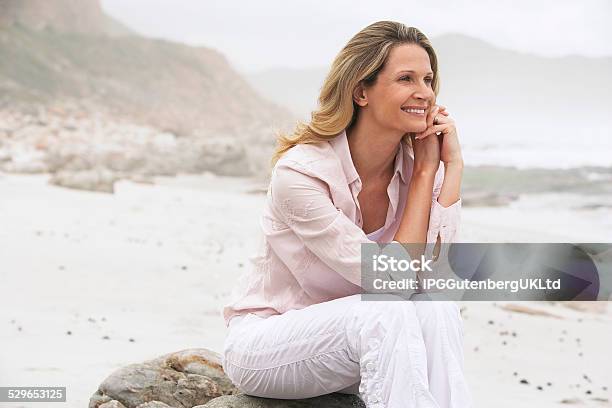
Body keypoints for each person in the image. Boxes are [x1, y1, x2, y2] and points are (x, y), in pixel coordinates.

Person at [221, 20, 473, 408]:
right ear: (361, 92)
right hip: (268, 345)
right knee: (387, 311)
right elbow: (393, 283)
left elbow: (437, 281)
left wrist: (447, 168)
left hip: (357, 343)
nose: (424, 93)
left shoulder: (416, 168)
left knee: (437, 308)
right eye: (406, 78)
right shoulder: (301, 174)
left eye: (428, 79)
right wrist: (426, 173)